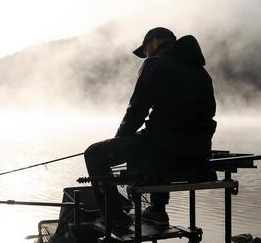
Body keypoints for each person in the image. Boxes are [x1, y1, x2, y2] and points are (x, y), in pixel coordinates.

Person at [83, 27, 217, 227]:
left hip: (165, 148)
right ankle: (157, 210)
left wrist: (120, 139)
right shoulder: (200, 71)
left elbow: (136, 111)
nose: (145, 55)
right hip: (199, 151)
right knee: (153, 144)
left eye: (144, 50)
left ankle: (115, 218)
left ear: (154, 43)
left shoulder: (155, 64)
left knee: (94, 154)